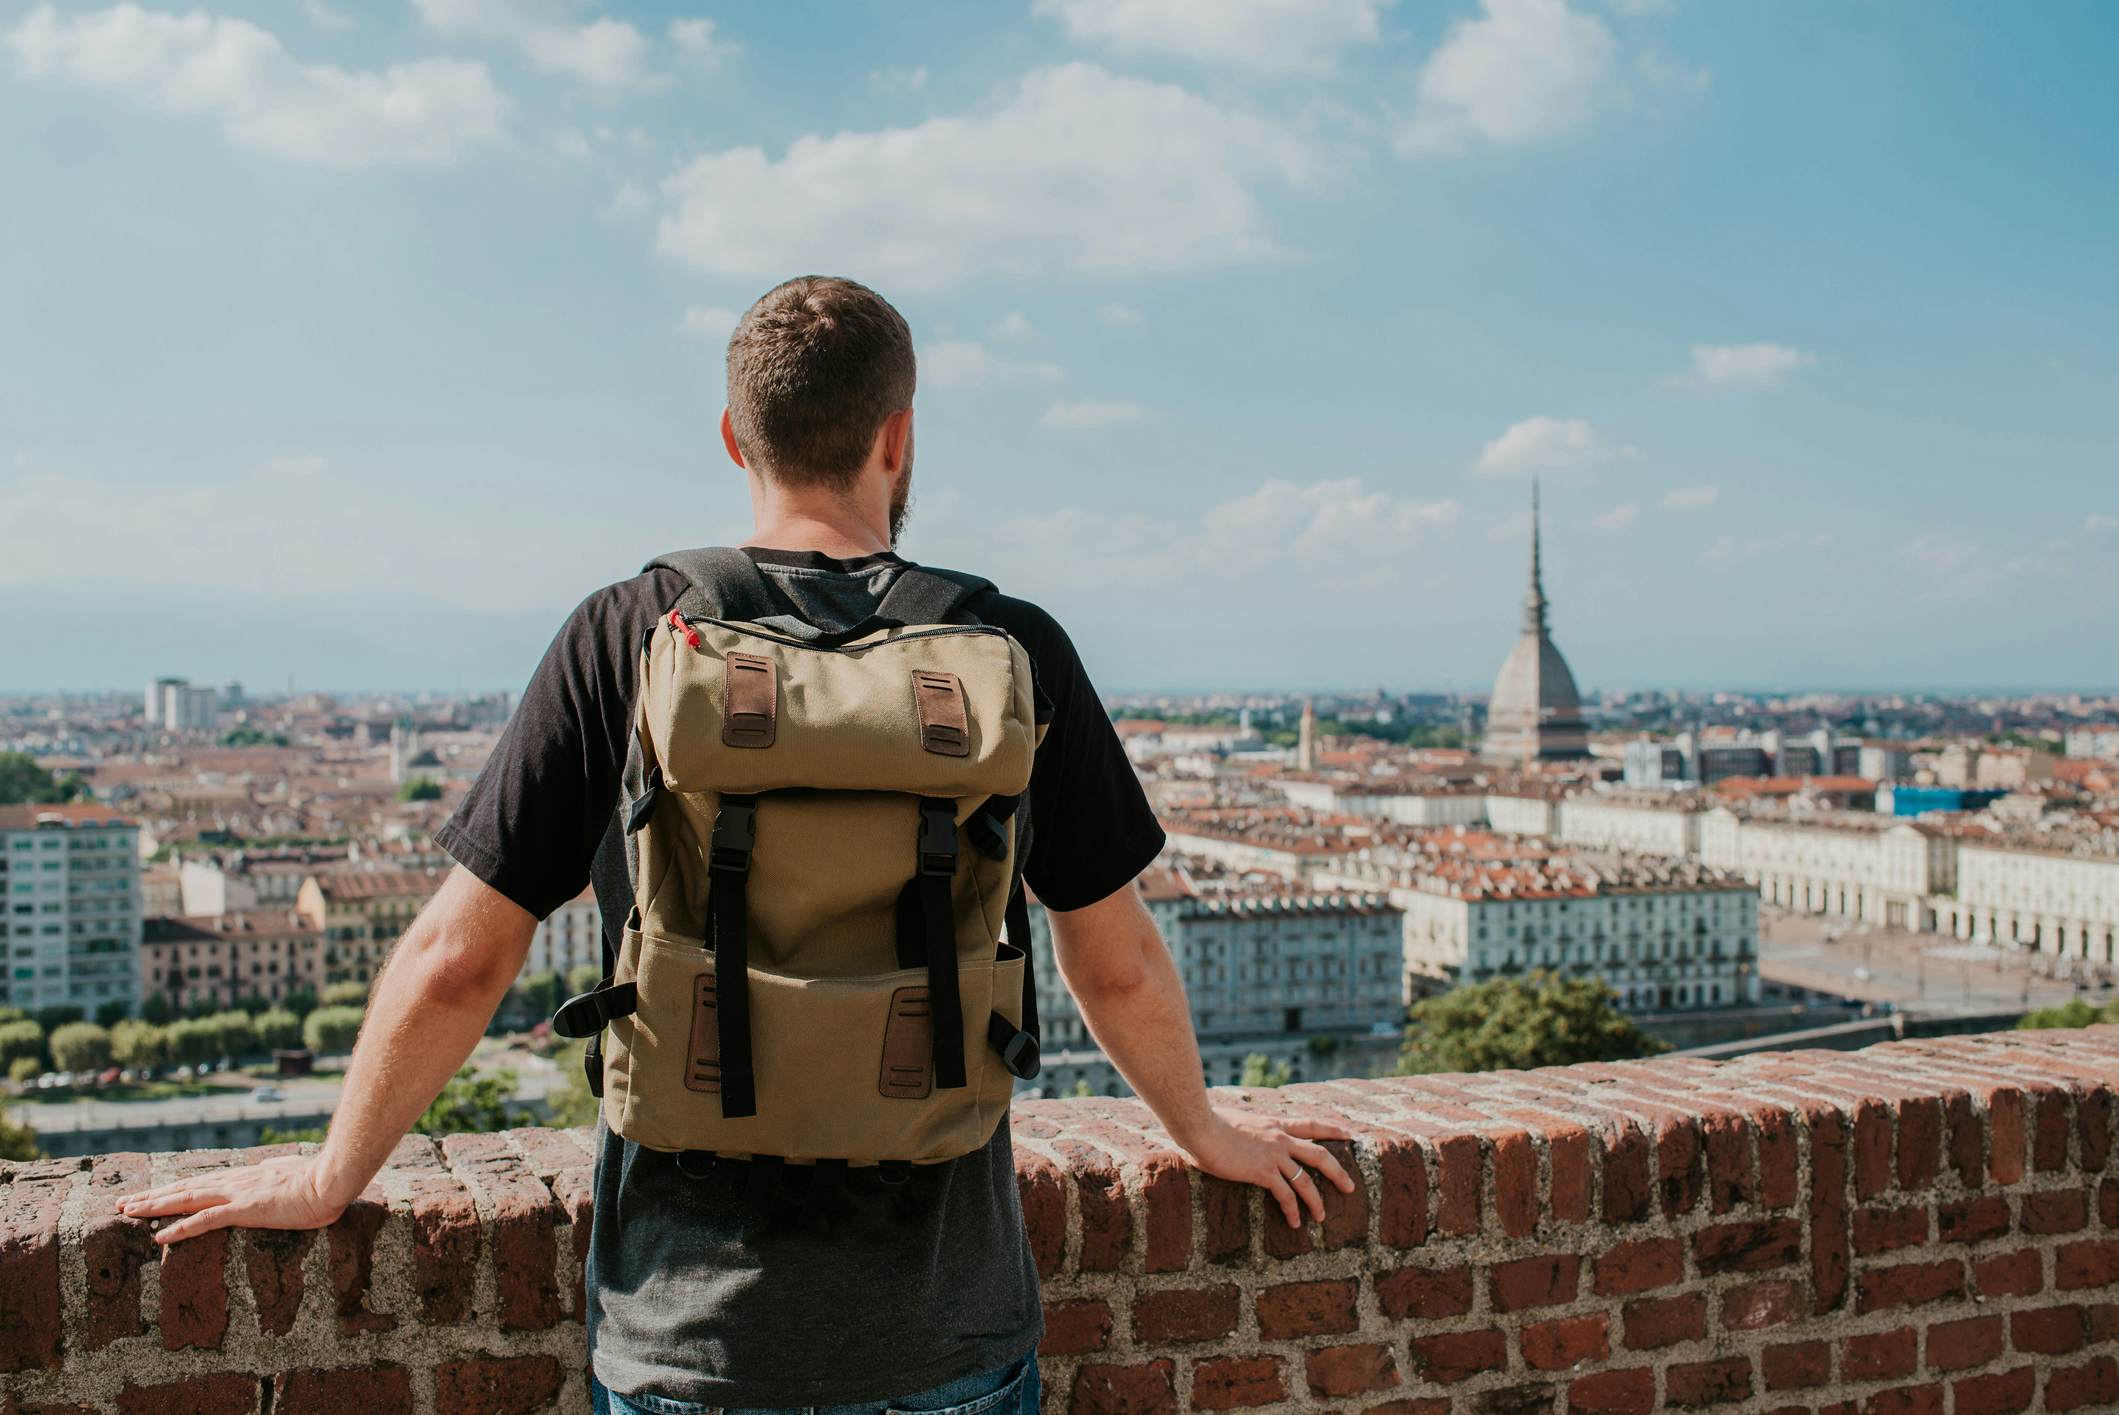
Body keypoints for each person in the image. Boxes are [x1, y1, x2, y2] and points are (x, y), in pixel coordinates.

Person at [119, 276, 1356, 1415]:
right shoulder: (1008, 644)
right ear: (899, 435)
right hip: (948, 1331)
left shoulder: (628, 632)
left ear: (733, 437)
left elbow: (459, 954)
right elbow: (1116, 954)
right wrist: (1206, 1130)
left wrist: (336, 1170)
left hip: (685, 1334)